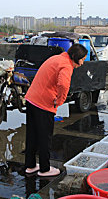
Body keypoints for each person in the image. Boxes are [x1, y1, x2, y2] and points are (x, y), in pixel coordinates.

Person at [24, 43, 88, 177]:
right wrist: (59, 101)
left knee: (32, 134)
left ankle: (30, 165)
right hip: (42, 104)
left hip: (31, 99)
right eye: (82, 59)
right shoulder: (66, 65)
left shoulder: (57, 58)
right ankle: (45, 169)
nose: (82, 63)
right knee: (44, 137)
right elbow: (63, 85)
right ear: (76, 57)